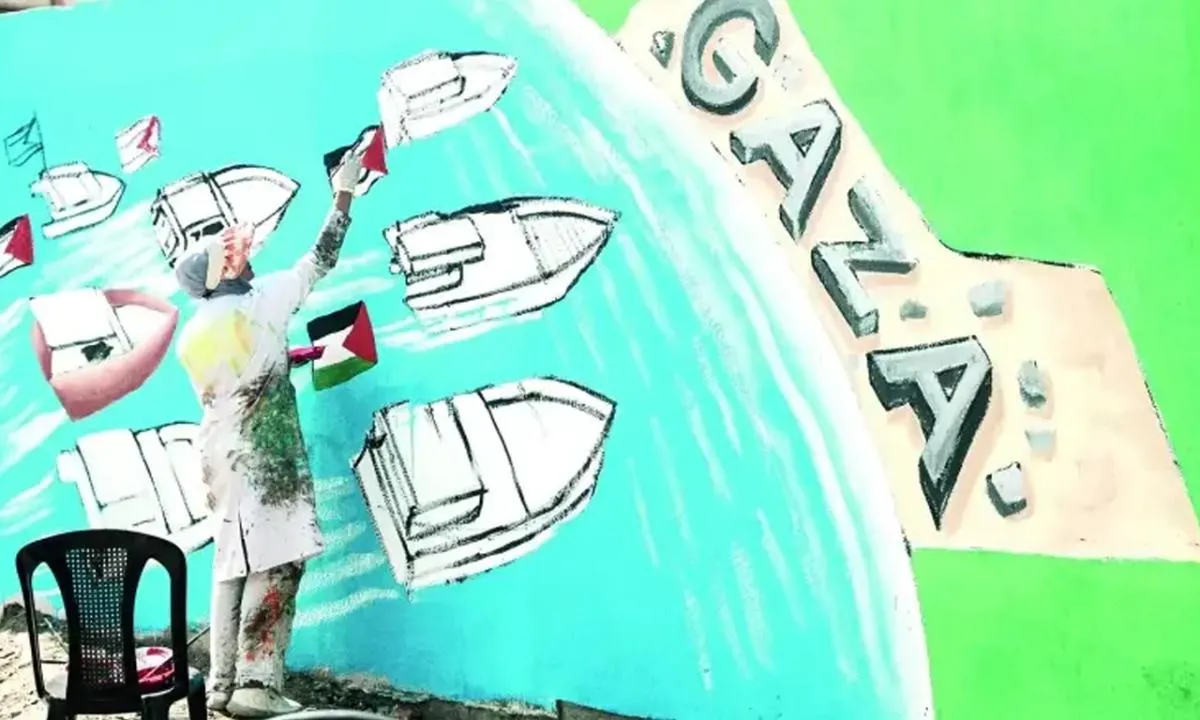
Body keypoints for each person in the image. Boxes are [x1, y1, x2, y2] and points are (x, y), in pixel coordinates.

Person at [172, 153, 363, 718]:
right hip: (265, 455)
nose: (246, 258)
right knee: (277, 560)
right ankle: (257, 686)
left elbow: (239, 377)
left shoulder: (196, 332)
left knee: (233, 561)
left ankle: (221, 685)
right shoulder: (263, 302)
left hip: (220, 455)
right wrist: (344, 195)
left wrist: (285, 357)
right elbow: (320, 258)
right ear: (223, 273)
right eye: (233, 256)